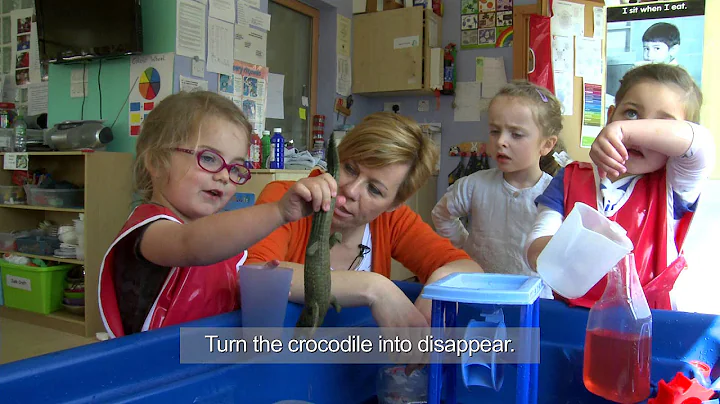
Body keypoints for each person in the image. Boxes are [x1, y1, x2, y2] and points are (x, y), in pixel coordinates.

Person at [98, 91, 340, 338]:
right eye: (210, 158)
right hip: (158, 367)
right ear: (157, 162)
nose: (225, 176)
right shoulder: (151, 230)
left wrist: (251, 284)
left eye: (236, 167)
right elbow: (190, 243)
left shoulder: (218, 239)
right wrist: (278, 211)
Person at [245, 112, 483, 329]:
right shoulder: (286, 199)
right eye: (350, 168)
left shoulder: (392, 220)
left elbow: (469, 270)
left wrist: (439, 287)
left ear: (394, 204)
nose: (350, 190)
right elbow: (256, 275)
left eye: (375, 190)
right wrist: (374, 288)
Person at [525, 63, 715, 310]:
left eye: (662, 124)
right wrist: (566, 254)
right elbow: (535, 244)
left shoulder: (675, 186)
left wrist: (623, 129)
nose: (635, 135)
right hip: (574, 322)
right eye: (632, 113)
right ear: (610, 114)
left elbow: (701, 144)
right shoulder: (570, 177)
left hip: (650, 327)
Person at [431, 81, 564, 298]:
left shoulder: (554, 195)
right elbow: (442, 215)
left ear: (546, 145)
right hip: (479, 292)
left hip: (533, 299)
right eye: (495, 131)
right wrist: (464, 246)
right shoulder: (474, 185)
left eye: (516, 134)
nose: (501, 141)